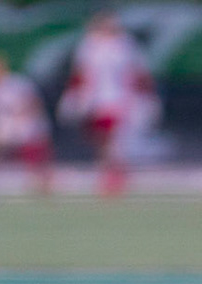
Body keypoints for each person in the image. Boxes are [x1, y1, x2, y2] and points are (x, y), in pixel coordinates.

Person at [57, 11, 156, 197]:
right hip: (95, 99)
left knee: (115, 138)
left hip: (119, 98)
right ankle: (108, 171)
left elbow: (138, 72)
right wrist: (74, 95)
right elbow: (81, 73)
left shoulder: (125, 44)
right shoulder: (89, 45)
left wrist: (144, 97)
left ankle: (116, 174)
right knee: (101, 138)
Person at [0, 51, 51, 195]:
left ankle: (40, 180)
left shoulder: (15, 83)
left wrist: (20, 118)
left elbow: (34, 104)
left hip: (27, 123)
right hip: (7, 125)